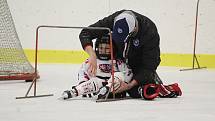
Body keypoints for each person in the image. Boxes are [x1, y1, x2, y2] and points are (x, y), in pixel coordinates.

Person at [63, 9, 182, 100]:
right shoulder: (112, 20)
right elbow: (85, 33)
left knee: (138, 89)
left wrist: (129, 85)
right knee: (108, 86)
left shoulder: (149, 32)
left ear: (133, 31)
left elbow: (149, 66)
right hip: (117, 64)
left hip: (137, 66)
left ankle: (151, 84)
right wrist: (92, 54)